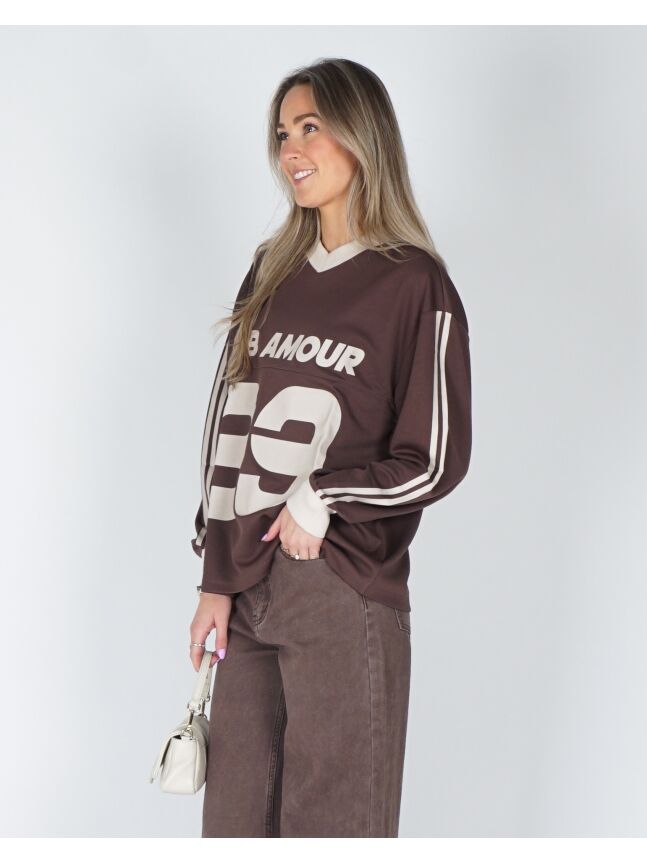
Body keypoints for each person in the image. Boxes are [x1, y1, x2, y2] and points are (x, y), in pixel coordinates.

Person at [188, 57, 472, 838]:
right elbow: (230, 422)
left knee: (334, 830)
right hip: (247, 591)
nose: (291, 150)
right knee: (235, 827)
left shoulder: (414, 285)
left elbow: (436, 455)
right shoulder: (272, 271)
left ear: (361, 134)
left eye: (310, 127)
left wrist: (324, 497)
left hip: (341, 588)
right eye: (283, 133)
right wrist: (215, 578)